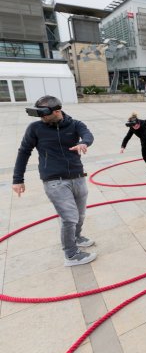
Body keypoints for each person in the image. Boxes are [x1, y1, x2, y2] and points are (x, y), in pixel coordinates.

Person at [12, 95, 97, 267]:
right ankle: (71, 255)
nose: (41, 118)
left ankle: (76, 237)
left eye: (44, 114)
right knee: (69, 217)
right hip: (54, 181)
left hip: (77, 176)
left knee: (79, 215)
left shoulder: (75, 124)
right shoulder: (35, 128)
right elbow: (23, 152)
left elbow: (88, 135)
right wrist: (17, 179)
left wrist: (84, 143)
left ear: (57, 111)